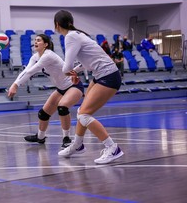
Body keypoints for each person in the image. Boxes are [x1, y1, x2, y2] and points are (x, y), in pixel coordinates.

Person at [54, 10, 124, 164]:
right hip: (102, 75)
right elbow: (87, 62)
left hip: (108, 76)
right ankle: (77, 145)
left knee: (84, 115)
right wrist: (75, 71)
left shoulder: (70, 37)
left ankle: (112, 147)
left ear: (57, 25)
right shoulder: (78, 34)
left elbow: (67, 67)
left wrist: (69, 72)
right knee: (81, 112)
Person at [7, 34, 84, 148]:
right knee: (43, 114)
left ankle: (66, 138)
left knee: (62, 107)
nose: (35, 42)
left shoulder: (48, 55)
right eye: (35, 40)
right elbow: (26, 71)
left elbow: (31, 72)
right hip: (61, 89)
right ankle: (40, 137)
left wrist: (16, 85)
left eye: (38, 40)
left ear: (46, 44)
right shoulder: (35, 57)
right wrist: (16, 83)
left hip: (73, 86)